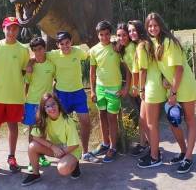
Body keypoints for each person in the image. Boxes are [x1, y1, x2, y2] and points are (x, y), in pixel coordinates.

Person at [145, 12, 196, 173]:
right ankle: (183, 151)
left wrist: (173, 92)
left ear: (161, 25)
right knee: (173, 122)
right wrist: (164, 79)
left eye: (155, 25)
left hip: (185, 87)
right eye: (149, 26)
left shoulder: (169, 42)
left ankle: (188, 157)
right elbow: (164, 68)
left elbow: (179, 69)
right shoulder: (155, 43)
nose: (152, 28)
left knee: (190, 121)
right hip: (174, 88)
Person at [0, 17, 29, 176]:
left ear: (18, 30)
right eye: (8, 28)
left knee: (13, 127)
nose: (11, 31)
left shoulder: (23, 49)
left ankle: (11, 157)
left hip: (15, 96)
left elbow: (22, 72)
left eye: (14, 28)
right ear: (3, 29)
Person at [46, 31, 99, 163]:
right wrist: (30, 63)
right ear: (58, 45)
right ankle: (64, 153)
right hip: (62, 95)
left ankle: (85, 152)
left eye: (67, 43)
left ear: (71, 42)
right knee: (63, 125)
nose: (65, 46)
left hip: (78, 93)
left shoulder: (78, 52)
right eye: (62, 44)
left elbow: (92, 53)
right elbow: (39, 55)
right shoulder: (53, 55)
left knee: (85, 123)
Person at [128, 20, 166, 168]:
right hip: (149, 87)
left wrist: (140, 89)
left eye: (134, 30)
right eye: (130, 31)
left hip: (152, 87)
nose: (132, 33)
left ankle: (155, 157)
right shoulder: (142, 44)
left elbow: (143, 70)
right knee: (143, 121)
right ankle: (153, 150)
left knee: (151, 124)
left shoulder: (142, 45)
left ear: (140, 30)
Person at [21, 92, 81, 186]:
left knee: (62, 169)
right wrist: (52, 146)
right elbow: (35, 136)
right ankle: (36, 174)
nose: (51, 108)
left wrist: (60, 152)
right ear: (44, 109)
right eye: (47, 106)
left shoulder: (67, 120)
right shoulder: (44, 119)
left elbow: (74, 145)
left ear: (58, 104)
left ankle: (75, 164)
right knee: (32, 146)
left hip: (71, 150)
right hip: (57, 148)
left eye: (53, 104)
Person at [90, 20, 126, 162]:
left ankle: (113, 147)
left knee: (112, 119)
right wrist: (92, 91)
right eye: (101, 35)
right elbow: (92, 73)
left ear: (110, 34)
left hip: (114, 89)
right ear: (97, 35)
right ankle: (105, 143)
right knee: (102, 116)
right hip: (100, 88)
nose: (104, 37)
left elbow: (128, 69)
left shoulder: (117, 48)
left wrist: (125, 87)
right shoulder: (93, 50)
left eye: (106, 34)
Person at [116, 23, 149, 157]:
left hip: (143, 86)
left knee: (144, 118)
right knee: (142, 117)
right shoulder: (123, 49)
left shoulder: (134, 47)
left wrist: (136, 87)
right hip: (136, 87)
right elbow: (129, 71)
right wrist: (127, 86)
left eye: (125, 34)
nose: (122, 37)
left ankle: (146, 145)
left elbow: (139, 70)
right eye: (119, 35)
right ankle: (144, 143)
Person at [23, 37, 55, 172]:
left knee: (43, 130)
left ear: (45, 48)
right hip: (31, 102)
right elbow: (27, 83)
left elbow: (56, 80)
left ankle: (41, 155)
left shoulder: (51, 64)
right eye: (35, 50)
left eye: (40, 49)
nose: (38, 52)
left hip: (46, 103)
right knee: (32, 131)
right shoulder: (31, 66)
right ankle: (32, 159)